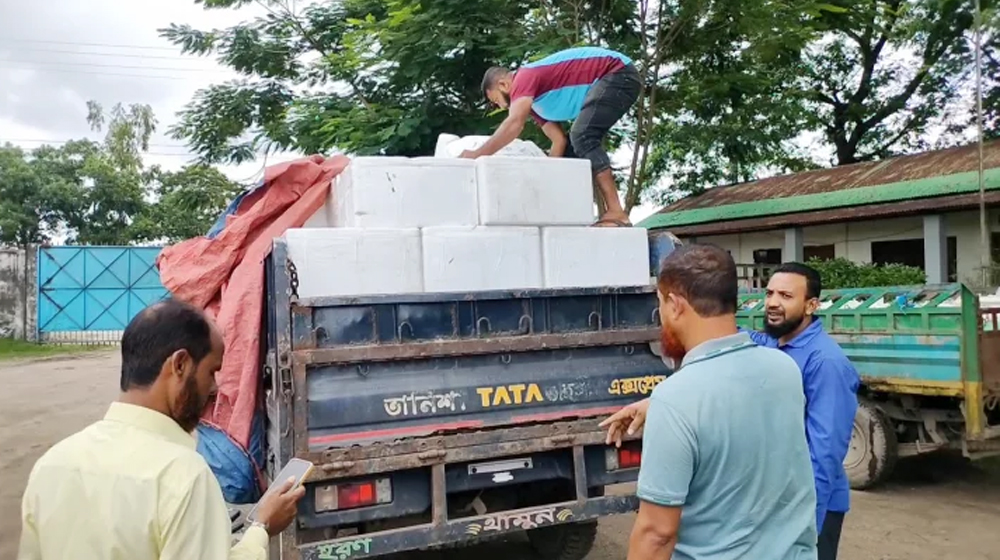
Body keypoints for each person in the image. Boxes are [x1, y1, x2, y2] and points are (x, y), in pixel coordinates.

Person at [602, 262, 860, 560]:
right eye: (770, 293)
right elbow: (729, 370)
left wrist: (802, 534)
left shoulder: (825, 362)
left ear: (811, 305)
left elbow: (824, 455)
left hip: (817, 506)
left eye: (786, 296)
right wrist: (658, 404)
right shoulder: (773, 349)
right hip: (768, 505)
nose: (774, 303)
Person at [18, 299, 305, 560]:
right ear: (180, 364)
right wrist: (261, 528)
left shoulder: (52, 464)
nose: (215, 388)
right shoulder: (182, 476)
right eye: (211, 371)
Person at [465, 46, 641, 228]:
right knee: (574, 146)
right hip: (615, 77)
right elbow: (558, 140)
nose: (501, 107)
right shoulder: (535, 106)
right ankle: (586, 215)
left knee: (582, 136)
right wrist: (548, 185)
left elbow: (514, 123)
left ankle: (616, 212)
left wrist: (477, 154)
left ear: (504, 85)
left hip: (618, 71)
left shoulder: (524, 77)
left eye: (496, 102)